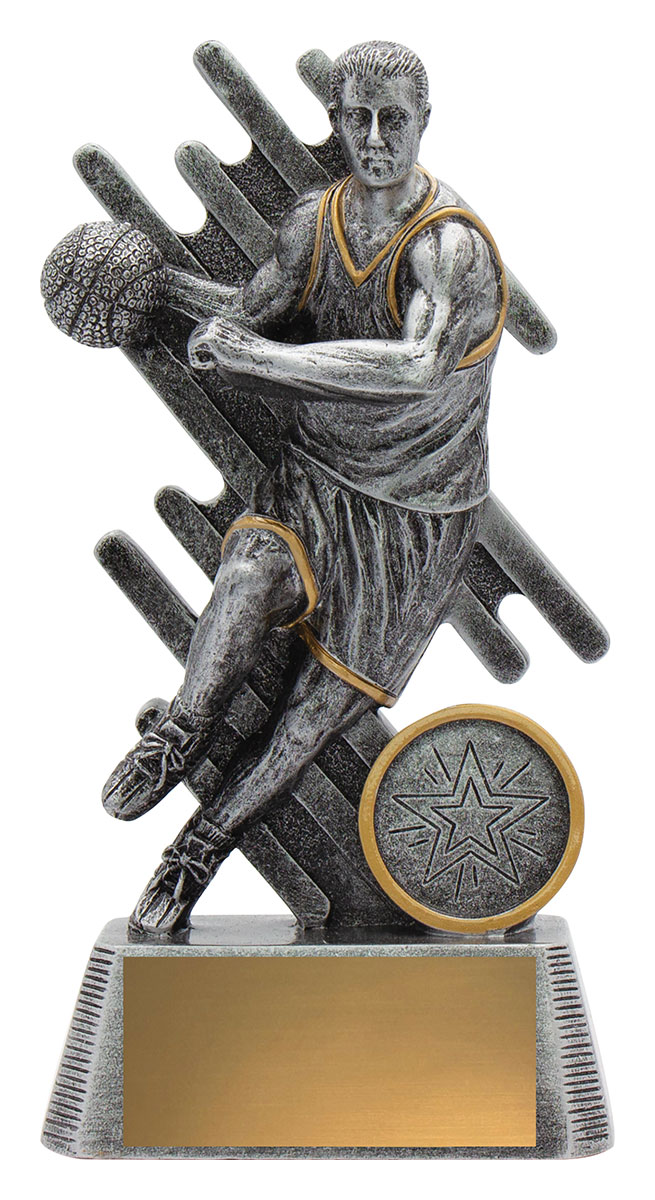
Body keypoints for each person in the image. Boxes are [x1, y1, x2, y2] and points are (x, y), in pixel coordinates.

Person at [103, 40, 511, 934]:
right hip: (318, 474)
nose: (375, 138)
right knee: (249, 570)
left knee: (309, 718)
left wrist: (259, 359)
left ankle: (198, 849)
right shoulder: (310, 225)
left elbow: (414, 365)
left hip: (417, 512)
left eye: (394, 119)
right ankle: (179, 733)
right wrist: (162, 292)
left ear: (424, 123)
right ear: (335, 121)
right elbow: (249, 314)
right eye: (358, 117)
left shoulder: (450, 247)